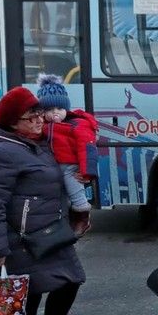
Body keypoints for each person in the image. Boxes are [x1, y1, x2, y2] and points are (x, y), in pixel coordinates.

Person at [0, 87, 88, 315]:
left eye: (40, 114)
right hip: (19, 239)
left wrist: (77, 207)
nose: (40, 121)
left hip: (48, 233)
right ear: (12, 121)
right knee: (27, 297)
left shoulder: (34, 142)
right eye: (31, 117)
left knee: (70, 280)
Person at [36, 73, 97, 232]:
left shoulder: (77, 124)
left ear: (66, 108)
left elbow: (87, 148)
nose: (55, 113)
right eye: (49, 109)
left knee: (75, 192)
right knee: (60, 196)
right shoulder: (43, 127)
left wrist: (87, 172)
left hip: (71, 168)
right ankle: (65, 219)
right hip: (53, 167)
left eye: (60, 108)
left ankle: (83, 217)